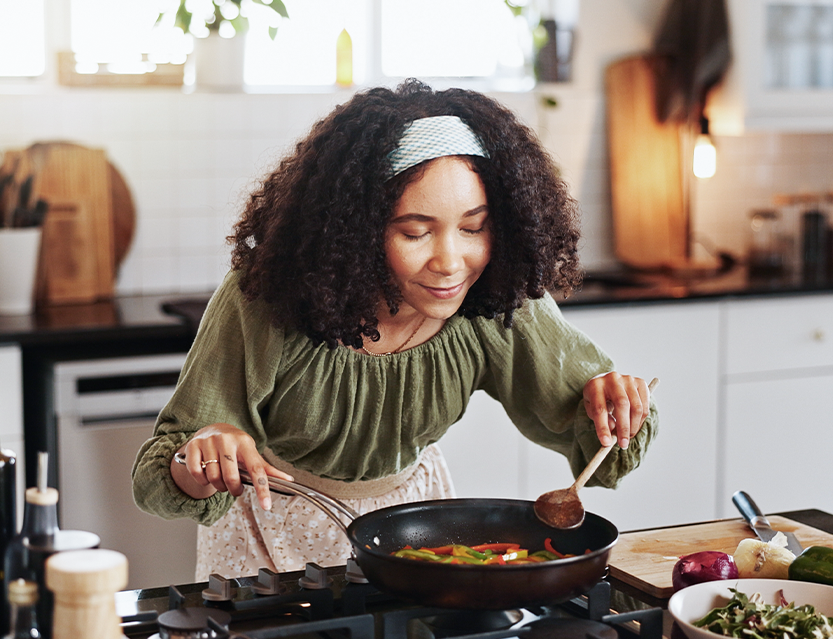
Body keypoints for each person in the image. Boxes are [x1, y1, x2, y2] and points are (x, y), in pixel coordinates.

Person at [132, 79, 658, 580]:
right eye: (415, 231)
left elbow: (595, 444)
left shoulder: (493, 299)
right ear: (354, 230)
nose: (452, 261)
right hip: (267, 537)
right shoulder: (270, 296)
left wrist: (614, 408)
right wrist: (200, 457)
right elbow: (163, 476)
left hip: (414, 532)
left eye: (475, 227)